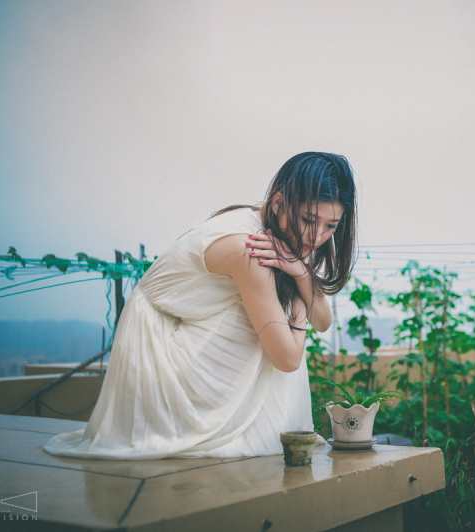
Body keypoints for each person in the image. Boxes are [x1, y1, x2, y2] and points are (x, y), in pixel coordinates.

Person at [44, 152, 357, 459]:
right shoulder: (250, 248)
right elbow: (288, 358)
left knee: (280, 307)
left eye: (331, 226)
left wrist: (300, 271)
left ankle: (263, 431)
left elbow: (323, 321)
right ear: (279, 203)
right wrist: (298, 309)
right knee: (280, 313)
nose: (317, 236)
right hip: (157, 350)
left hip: (190, 332)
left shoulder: (285, 235)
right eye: (310, 220)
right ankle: (240, 433)